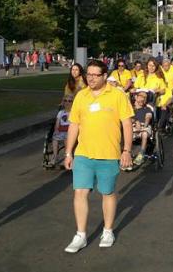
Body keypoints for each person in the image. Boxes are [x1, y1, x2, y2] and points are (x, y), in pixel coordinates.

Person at [63, 59, 134, 253]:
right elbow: (74, 125)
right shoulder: (81, 96)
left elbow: (127, 124)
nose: (91, 78)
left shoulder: (117, 95)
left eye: (95, 75)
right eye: (89, 74)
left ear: (104, 76)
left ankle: (108, 230)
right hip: (84, 154)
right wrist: (69, 152)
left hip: (109, 154)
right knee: (80, 192)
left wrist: (127, 150)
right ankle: (80, 235)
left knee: (107, 193)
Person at [130, 90, 154, 169]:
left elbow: (148, 116)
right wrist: (136, 122)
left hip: (145, 127)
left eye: (145, 97)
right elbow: (129, 119)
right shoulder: (130, 108)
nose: (143, 99)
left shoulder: (147, 109)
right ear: (136, 97)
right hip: (133, 127)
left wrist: (144, 125)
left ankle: (141, 154)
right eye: (141, 96)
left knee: (144, 133)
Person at [49, 96, 73, 168]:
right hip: (61, 130)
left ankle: (66, 157)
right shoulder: (61, 112)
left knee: (66, 139)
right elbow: (57, 122)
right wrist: (56, 130)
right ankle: (55, 156)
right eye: (65, 101)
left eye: (69, 101)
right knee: (55, 139)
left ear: (72, 103)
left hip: (70, 130)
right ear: (63, 103)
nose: (67, 102)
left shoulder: (73, 112)